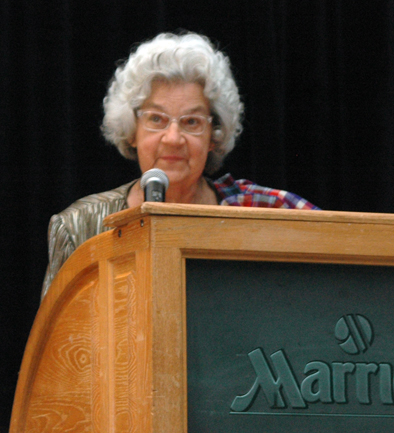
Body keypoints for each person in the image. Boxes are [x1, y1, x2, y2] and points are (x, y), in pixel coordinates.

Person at [41, 32, 319, 299]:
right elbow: (58, 342)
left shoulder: (264, 211)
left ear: (214, 136)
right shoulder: (78, 228)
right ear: (132, 130)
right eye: (156, 119)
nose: (173, 138)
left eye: (192, 122)